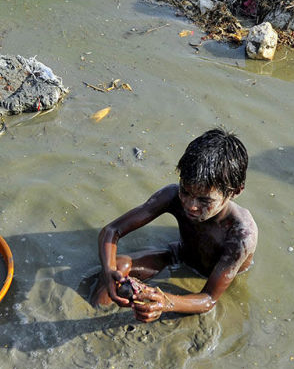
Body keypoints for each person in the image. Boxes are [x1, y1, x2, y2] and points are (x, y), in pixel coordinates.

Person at [93, 128, 257, 322]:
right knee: (118, 267)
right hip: (178, 254)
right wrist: (109, 272)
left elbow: (208, 299)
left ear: (235, 192)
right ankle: (93, 312)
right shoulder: (171, 197)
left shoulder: (240, 235)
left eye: (204, 200)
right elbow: (112, 230)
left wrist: (166, 301)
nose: (190, 205)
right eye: (185, 191)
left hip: (211, 279)